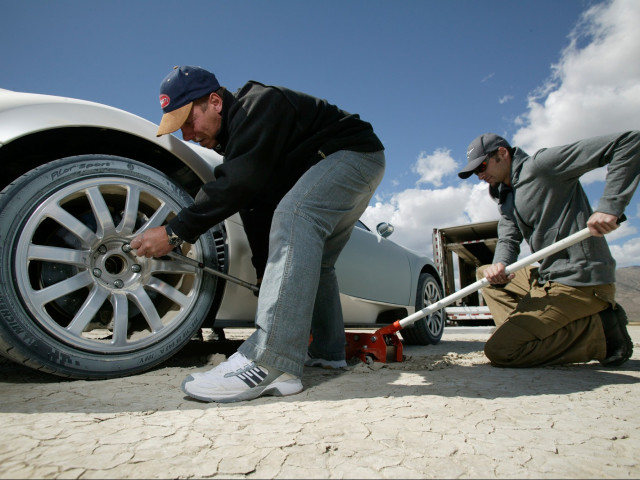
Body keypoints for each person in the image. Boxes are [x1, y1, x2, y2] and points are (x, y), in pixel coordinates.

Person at [130, 66, 385, 402]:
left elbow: (238, 185)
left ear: (215, 102)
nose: (187, 135)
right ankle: (328, 352)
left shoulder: (259, 106)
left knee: (297, 214)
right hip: (354, 163)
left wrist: (176, 231)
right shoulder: (242, 145)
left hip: (352, 155)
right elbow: (256, 209)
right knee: (317, 262)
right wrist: (270, 273)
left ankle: (270, 362)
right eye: (179, 129)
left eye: (189, 122)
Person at [458, 131, 639, 368]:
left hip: (580, 281)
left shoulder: (542, 165)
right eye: (475, 172)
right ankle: (529, 330)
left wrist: (610, 205)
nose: (480, 175)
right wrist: (500, 264)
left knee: (502, 350)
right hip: (549, 277)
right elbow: (508, 239)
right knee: (485, 275)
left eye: (482, 166)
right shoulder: (506, 196)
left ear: (502, 153)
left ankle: (601, 332)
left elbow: (628, 143)